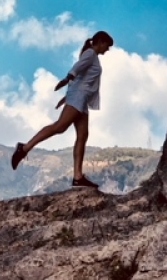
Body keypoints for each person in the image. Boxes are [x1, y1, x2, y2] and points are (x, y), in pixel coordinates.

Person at [11, 30, 114, 188]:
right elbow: (77, 68)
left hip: (81, 98)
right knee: (60, 126)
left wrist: (67, 96)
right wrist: (67, 80)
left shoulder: (92, 57)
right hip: (79, 97)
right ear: (100, 42)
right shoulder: (90, 54)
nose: (108, 50)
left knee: (83, 135)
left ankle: (78, 177)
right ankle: (24, 148)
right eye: (107, 45)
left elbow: (81, 77)